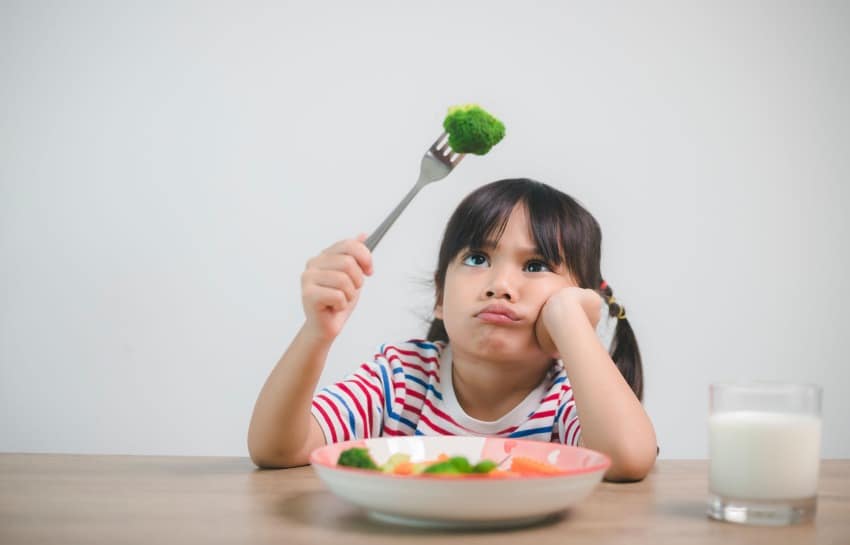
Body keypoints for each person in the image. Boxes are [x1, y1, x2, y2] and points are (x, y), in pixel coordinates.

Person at [248, 178, 657, 481]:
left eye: (535, 267)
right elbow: (278, 449)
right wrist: (317, 332)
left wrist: (571, 322)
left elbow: (627, 459)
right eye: (478, 258)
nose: (500, 285)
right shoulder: (400, 379)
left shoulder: (568, 396)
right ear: (440, 296)